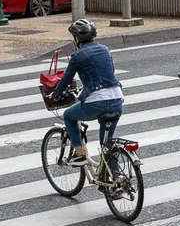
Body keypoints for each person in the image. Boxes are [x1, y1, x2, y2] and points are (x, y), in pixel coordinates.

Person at [47, 19, 123, 166]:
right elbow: (108, 72)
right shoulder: (105, 49)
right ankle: (115, 180)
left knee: (68, 115)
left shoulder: (78, 55)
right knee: (106, 145)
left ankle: (79, 154)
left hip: (98, 102)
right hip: (117, 99)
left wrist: (55, 95)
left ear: (76, 38)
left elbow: (66, 79)